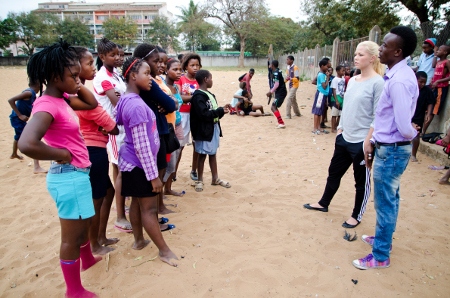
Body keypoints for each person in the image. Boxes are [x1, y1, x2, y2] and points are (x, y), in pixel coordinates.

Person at [18, 41, 100, 297]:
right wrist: (60, 153)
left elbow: (91, 104)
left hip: (77, 175)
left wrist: (76, 82)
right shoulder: (47, 105)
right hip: (68, 178)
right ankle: (73, 291)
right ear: (55, 77)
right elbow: (26, 143)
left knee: (84, 222)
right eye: (73, 76)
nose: (78, 80)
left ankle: (87, 261)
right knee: (70, 238)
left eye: (78, 75)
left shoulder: (61, 98)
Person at [353, 26, 419, 270]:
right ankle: (384, 240)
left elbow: (403, 125)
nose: (380, 49)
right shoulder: (395, 75)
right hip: (388, 146)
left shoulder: (399, 81)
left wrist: (413, 133)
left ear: (398, 52)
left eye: (385, 46)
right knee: (391, 198)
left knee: (385, 203)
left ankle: (380, 255)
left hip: (391, 149)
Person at [304, 41, 385, 229]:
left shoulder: (378, 83)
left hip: (361, 142)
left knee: (361, 181)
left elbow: (378, 115)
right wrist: (340, 129)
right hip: (344, 137)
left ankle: (356, 215)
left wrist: (368, 140)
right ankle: (324, 203)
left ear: (372, 58)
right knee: (334, 173)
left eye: (361, 55)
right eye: (355, 54)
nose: (356, 58)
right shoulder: (353, 80)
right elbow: (347, 106)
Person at [116, 56, 178, 267]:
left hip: (130, 162)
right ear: (134, 76)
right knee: (149, 210)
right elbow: (142, 147)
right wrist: (153, 177)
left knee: (136, 202)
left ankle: (138, 241)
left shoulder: (126, 99)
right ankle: (164, 251)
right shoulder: (137, 107)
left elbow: (117, 120)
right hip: (141, 166)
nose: (150, 77)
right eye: (146, 73)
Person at [73, 46, 120, 255]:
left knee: (107, 192)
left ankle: (100, 236)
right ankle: (94, 244)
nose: (93, 68)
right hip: (92, 148)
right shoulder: (78, 95)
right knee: (96, 198)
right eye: (89, 63)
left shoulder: (83, 91)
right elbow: (107, 121)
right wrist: (109, 125)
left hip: (97, 145)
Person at [133, 43, 177, 215]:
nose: (159, 65)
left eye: (161, 61)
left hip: (158, 129)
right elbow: (169, 103)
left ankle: (158, 207)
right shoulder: (148, 83)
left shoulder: (152, 80)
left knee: (160, 169)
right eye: (155, 61)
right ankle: (156, 210)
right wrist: (169, 103)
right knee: (157, 171)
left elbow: (171, 101)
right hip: (155, 131)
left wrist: (170, 102)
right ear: (143, 62)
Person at [93, 38, 130, 233]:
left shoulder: (115, 74)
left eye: (120, 54)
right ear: (102, 56)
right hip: (114, 130)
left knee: (119, 170)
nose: (118, 58)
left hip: (122, 128)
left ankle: (121, 205)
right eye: (113, 55)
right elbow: (119, 104)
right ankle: (120, 218)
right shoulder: (102, 78)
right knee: (120, 171)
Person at [190, 69, 232, 192]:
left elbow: (213, 112)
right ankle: (200, 180)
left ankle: (215, 178)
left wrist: (221, 110)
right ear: (205, 79)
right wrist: (218, 111)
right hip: (203, 131)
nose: (212, 80)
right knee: (202, 154)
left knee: (212, 153)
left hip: (212, 128)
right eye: (211, 78)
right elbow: (203, 114)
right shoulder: (198, 96)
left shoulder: (210, 95)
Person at [8, 80, 47, 173]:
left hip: (17, 120)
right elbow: (11, 100)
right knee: (32, 140)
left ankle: (14, 154)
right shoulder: (29, 93)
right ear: (38, 85)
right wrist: (20, 115)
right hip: (17, 119)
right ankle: (36, 167)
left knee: (18, 137)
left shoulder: (32, 94)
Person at [175, 53, 201, 181]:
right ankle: (173, 171)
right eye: (192, 65)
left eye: (197, 65)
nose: (195, 68)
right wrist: (196, 97)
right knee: (180, 145)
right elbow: (179, 97)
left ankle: (194, 170)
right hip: (183, 114)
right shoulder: (180, 79)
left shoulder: (200, 80)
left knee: (197, 144)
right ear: (186, 66)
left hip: (196, 115)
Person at [164, 58, 185, 197]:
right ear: (166, 70)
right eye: (175, 69)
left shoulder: (176, 87)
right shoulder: (163, 87)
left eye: (180, 70)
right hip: (168, 127)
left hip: (178, 124)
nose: (179, 72)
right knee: (168, 160)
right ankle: (161, 190)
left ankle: (168, 188)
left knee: (176, 156)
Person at [423, 45, 450, 134]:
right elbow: (433, 65)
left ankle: (423, 132)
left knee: (433, 111)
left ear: (445, 52)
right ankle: (422, 131)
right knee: (428, 109)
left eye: (439, 50)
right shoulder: (438, 62)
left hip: (441, 89)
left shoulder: (447, 62)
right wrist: (433, 80)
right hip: (434, 88)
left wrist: (438, 81)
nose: (437, 51)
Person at [411, 71, 435, 162]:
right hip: (407, 115)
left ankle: (413, 155)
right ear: (415, 79)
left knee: (416, 135)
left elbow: (430, 103)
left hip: (419, 115)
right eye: (420, 81)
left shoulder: (427, 91)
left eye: (424, 82)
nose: (422, 84)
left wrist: (428, 114)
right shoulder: (410, 88)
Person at [266, 60, 288, 129]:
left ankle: (281, 123)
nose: (269, 66)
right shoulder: (279, 71)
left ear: (272, 65)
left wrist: (270, 92)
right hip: (281, 92)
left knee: (273, 107)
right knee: (274, 106)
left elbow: (276, 84)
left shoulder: (276, 73)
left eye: (270, 65)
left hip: (281, 92)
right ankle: (280, 122)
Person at [311, 60, 330, 134]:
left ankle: (318, 127)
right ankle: (315, 128)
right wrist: (328, 78)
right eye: (326, 66)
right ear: (322, 66)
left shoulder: (323, 74)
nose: (327, 68)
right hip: (320, 95)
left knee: (320, 112)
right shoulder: (321, 75)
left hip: (323, 95)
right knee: (317, 111)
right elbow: (324, 86)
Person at [330, 65, 346, 133]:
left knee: (340, 114)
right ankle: (333, 128)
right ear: (338, 71)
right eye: (342, 71)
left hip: (342, 97)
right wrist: (336, 100)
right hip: (336, 97)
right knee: (334, 114)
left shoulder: (343, 79)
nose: (344, 72)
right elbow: (334, 90)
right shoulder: (335, 80)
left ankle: (337, 126)